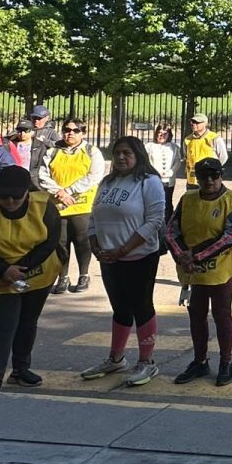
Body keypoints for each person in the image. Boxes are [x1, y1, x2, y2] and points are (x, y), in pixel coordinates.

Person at [81, 136, 167, 386]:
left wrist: (124, 249)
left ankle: (147, 362)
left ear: (138, 155)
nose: (120, 157)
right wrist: (96, 246)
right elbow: (94, 217)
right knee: (120, 308)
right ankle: (116, 358)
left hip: (139, 257)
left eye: (126, 153)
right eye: (117, 153)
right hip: (108, 257)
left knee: (141, 306)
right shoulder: (107, 182)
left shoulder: (148, 182)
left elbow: (154, 221)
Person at [166, 157, 232, 387]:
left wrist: (197, 256)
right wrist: (182, 256)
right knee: (196, 314)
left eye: (214, 175)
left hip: (220, 267)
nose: (209, 181)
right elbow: (171, 230)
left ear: (221, 175)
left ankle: (226, 362)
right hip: (192, 268)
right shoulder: (188, 198)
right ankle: (200, 361)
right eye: (204, 176)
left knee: (222, 314)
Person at [0, 166, 61, 388]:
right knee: (4, 325)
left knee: (27, 323)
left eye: (16, 196)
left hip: (38, 273)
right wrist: (4, 270)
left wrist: (19, 269)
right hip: (2, 277)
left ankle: (20, 369)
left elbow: (50, 242)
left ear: (27, 192)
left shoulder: (44, 206)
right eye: (3, 196)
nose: (10, 201)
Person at [38, 118, 104, 294]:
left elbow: (94, 176)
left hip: (82, 205)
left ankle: (84, 275)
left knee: (82, 241)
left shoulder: (92, 151)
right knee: (60, 242)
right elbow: (43, 174)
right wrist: (59, 192)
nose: (70, 133)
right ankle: (63, 277)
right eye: (67, 130)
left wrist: (70, 191)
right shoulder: (52, 151)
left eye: (76, 130)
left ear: (83, 132)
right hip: (58, 204)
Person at [145, 123, 184, 224]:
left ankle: (168, 224)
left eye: (164, 133)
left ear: (169, 135)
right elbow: (147, 161)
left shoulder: (174, 147)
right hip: (154, 179)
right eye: (159, 133)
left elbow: (177, 161)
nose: (161, 136)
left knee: (167, 201)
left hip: (169, 180)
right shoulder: (149, 146)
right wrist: (155, 172)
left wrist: (170, 172)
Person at [182, 113, 228, 188]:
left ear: (205, 124)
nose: (193, 124)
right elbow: (186, 157)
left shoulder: (214, 138)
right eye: (192, 122)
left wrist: (213, 170)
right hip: (192, 181)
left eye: (197, 122)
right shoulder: (187, 140)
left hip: (209, 181)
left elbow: (223, 157)